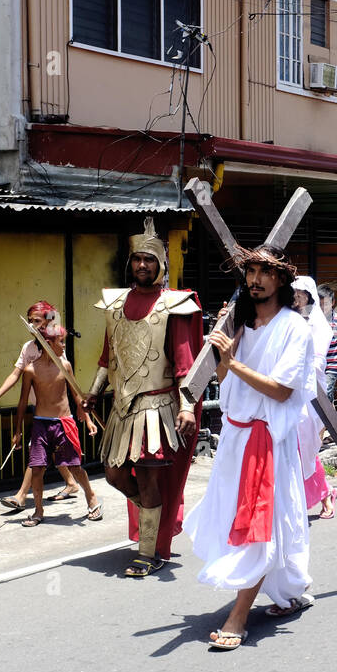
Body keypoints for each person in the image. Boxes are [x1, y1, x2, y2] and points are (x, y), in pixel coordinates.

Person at [184, 245, 316, 651]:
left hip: (268, 441)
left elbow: (280, 390)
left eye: (264, 272)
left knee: (258, 525)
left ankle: (238, 616)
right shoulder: (240, 325)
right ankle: (289, 588)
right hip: (235, 438)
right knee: (238, 518)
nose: (255, 279)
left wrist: (233, 360)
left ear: (281, 280)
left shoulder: (296, 328)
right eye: (250, 272)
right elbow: (227, 383)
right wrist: (225, 356)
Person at [80, 219, 203, 578]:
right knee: (115, 475)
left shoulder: (173, 304)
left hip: (157, 409)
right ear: (130, 263)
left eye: (149, 260)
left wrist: (185, 406)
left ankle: (148, 553)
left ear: (160, 264)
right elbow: (109, 358)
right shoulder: (116, 304)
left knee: (149, 480)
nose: (142, 266)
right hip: (123, 407)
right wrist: (92, 391)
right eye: (137, 260)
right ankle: (156, 519)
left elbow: (184, 365)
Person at [0, 300, 82, 509]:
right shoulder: (28, 348)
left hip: (56, 412)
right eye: (29, 321)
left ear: (47, 322)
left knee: (39, 455)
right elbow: (15, 374)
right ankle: (71, 483)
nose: (32, 325)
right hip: (38, 411)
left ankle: (21, 496)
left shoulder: (56, 346)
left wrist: (83, 410)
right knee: (46, 453)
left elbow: (67, 378)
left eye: (37, 321)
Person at [12, 320, 101, 527]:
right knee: (37, 468)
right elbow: (23, 401)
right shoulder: (30, 370)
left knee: (75, 467)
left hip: (64, 423)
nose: (64, 346)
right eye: (61, 342)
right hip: (41, 424)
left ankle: (91, 497)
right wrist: (17, 431)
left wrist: (87, 420)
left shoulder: (65, 365)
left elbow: (76, 395)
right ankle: (38, 511)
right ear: (48, 343)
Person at [294, 276, 336, 520]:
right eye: (294, 292)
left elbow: (318, 361)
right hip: (285, 391)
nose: (297, 296)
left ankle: (325, 493)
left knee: (307, 448)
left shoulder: (319, 324)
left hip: (308, 393)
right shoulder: (285, 318)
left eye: (301, 292)